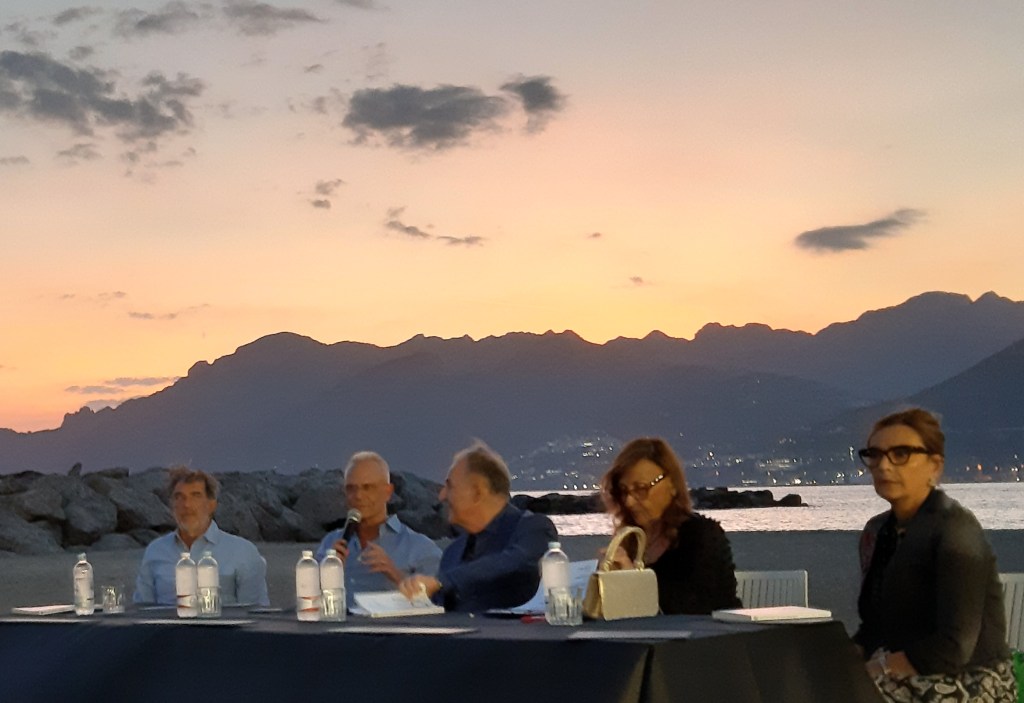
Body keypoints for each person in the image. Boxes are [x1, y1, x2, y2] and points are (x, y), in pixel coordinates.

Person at [853, 408, 1016, 702]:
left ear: (934, 466)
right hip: (904, 672)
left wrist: (878, 667)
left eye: (900, 454)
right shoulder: (877, 532)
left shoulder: (956, 530)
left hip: (971, 679)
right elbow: (874, 627)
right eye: (874, 454)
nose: (883, 466)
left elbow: (954, 646)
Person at [398, 442, 557, 612]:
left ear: (477, 492)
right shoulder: (453, 552)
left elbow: (514, 561)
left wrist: (442, 582)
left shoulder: (533, 528)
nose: (442, 495)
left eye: (450, 486)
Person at [600, 437, 741, 614]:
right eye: (624, 491)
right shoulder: (631, 540)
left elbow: (694, 606)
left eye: (641, 488)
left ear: (672, 485)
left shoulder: (701, 535)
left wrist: (631, 580)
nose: (629, 501)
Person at [314, 451, 441, 604]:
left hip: (389, 627)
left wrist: (395, 574)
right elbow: (308, 599)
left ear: (388, 492)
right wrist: (328, 574)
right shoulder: (331, 542)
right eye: (351, 488)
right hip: (338, 625)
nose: (359, 496)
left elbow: (439, 602)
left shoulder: (419, 547)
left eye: (368, 488)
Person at [133, 466, 269, 606]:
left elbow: (256, 613)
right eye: (179, 497)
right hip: (167, 627)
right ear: (171, 505)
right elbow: (142, 609)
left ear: (211, 505)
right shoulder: (156, 551)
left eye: (195, 496)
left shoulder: (242, 551)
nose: (186, 504)